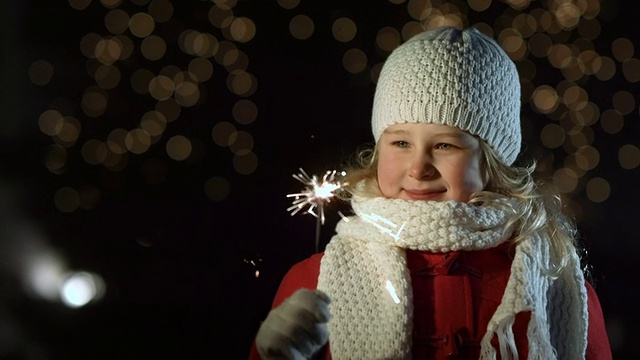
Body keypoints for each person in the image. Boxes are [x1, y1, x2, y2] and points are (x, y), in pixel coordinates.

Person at [249, 26, 612, 359]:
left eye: (444, 146)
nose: (418, 167)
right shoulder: (318, 282)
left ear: (492, 162)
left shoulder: (552, 287)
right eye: (401, 142)